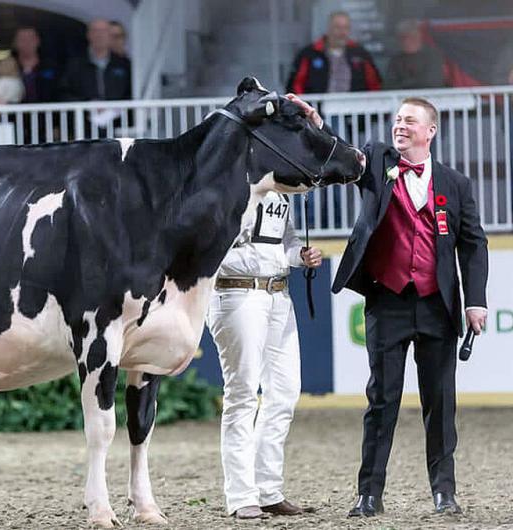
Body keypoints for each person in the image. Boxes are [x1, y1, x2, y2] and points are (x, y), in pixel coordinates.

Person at [289, 93, 488, 518]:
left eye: (410, 121)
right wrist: (315, 121)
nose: (400, 126)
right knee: (382, 401)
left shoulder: (455, 184)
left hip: (438, 306)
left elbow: (473, 244)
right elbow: (341, 153)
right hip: (387, 299)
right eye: (398, 119)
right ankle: (369, 494)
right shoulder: (378, 162)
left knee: (440, 403)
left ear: (430, 131)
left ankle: (443, 492)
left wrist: (476, 302)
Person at [207, 190, 322, 519]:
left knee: (284, 392)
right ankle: (241, 494)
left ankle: (268, 489)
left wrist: (300, 254)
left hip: (277, 293)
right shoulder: (228, 180)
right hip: (236, 291)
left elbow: (283, 239)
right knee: (243, 393)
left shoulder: (282, 192)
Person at [286, 11, 381, 94]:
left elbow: (374, 84)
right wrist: (304, 109)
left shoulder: (360, 54)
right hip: (317, 111)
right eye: (338, 27)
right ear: (329, 28)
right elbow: (296, 84)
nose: (342, 32)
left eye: (346, 28)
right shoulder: (310, 53)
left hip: (355, 111)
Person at [61, 19, 131, 102]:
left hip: (118, 114)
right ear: (88, 35)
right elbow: (64, 93)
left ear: (110, 35)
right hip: (85, 114)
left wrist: (115, 108)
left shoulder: (124, 64)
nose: (99, 35)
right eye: (95, 31)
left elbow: (131, 92)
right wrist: (87, 104)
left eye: (103, 31)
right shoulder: (74, 65)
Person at [385, 20, 446, 90]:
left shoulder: (433, 56)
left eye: (411, 37)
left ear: (419, 37)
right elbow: (389, 85)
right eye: (402, 38)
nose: (406, 41)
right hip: (401, 98)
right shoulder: (396, 60)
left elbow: (431, 82)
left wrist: (404, 83)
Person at [12, 27, 60, 104]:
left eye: (31, 39)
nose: (27, 43)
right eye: (22, 40)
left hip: (47, 114)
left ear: (38, 41)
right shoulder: (7, 68)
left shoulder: (51, 66)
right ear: (15, 43)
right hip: (16, 115)